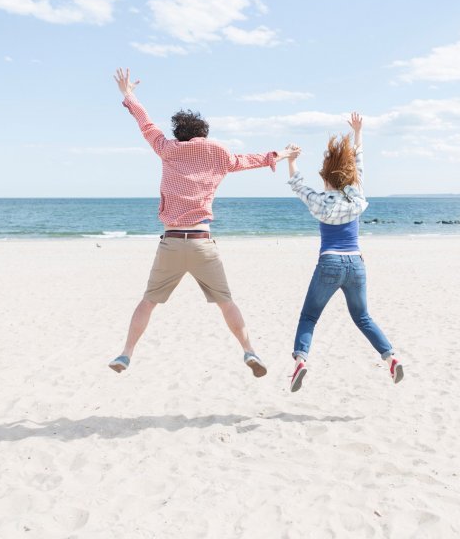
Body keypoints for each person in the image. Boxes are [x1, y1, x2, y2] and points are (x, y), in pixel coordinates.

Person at [107, 68, 299, 377]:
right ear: (203, 133)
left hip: (171, 243)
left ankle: (126, 354)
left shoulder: (167, 149)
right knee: (226, 302)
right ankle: (249, 351)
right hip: (201, 243)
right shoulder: (219, 154)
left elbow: (146, 123)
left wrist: (128, 94)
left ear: (179, 133)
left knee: (148, 302)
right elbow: (253, 160)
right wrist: (286, 152)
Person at [285, 112, 403, 392]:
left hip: (329, 264)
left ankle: (300, 361)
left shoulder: (319, 201)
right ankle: (391, 357)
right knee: (363, 317)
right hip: (356, 264)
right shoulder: (357, 197)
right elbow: (358, 164)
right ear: (349, 176)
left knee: (309, 317)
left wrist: (292, 159)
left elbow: (297, 185)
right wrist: (359, 132)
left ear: (325, 177)